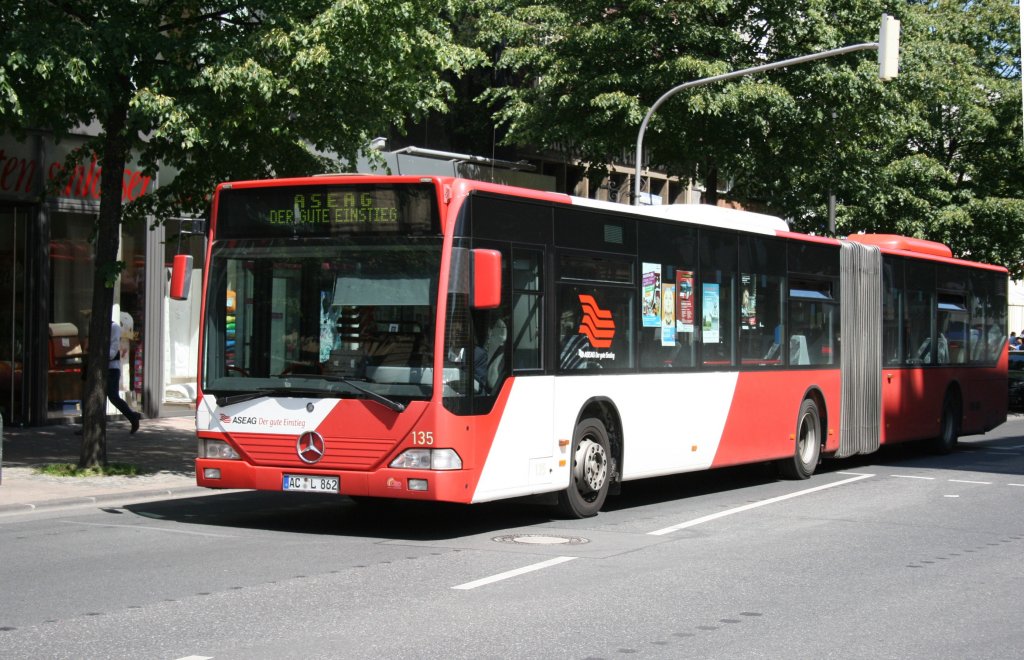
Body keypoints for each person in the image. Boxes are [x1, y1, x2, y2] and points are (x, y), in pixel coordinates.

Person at [108, 319, 141, 433]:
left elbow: (112, 352)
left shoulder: (114, 327)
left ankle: (132, 417)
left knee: (113, 397)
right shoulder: (98, 327)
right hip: (100, 368)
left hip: (111, 368)